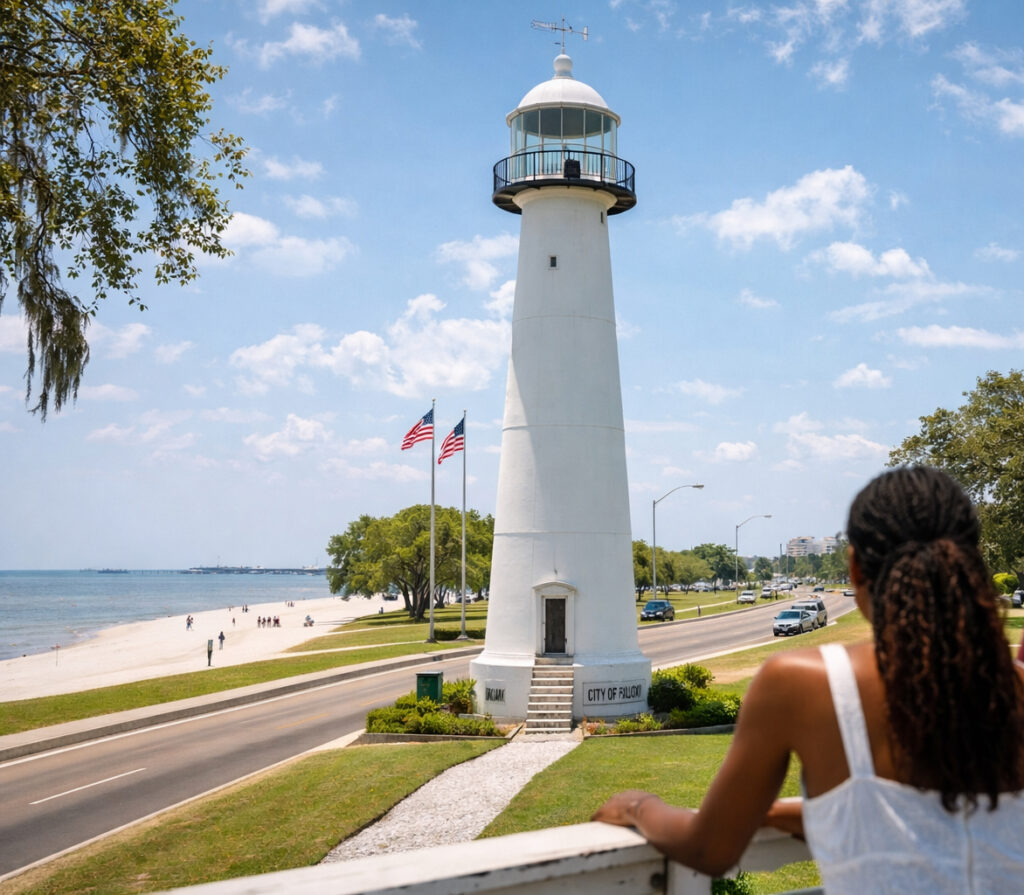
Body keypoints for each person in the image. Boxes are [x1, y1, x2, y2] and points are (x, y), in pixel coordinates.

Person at [593, 466, 1024, 892]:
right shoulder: (1012, 686)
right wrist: (799, 813)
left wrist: (637, 805)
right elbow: (950, 822)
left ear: (855, 569)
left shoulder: (804, 684)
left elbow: (710, 850)